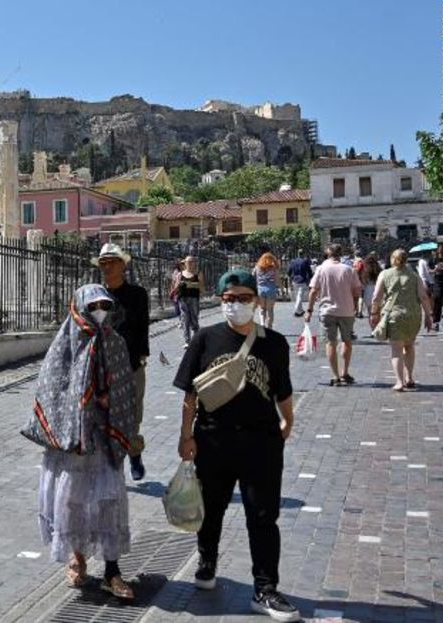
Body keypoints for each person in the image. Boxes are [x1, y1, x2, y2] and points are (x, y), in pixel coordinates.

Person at [173, 269, 299, 623]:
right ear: (220, 300)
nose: (237, 305)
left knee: (263, 516)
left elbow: (282, 389)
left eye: (244, 298)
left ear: (256, 301)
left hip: (261, 441)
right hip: (213, 440)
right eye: (229, 299)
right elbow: (190, 395)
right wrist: (186, 436)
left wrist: (288, 421)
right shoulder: (205, 339)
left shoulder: (274, 343)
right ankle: (207, 560)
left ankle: (265, 588)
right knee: (211, 508)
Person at [30, 284, 140, 601]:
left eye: (105, 304)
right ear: (79, 309)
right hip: (73, 441)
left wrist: (110, 402)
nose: (100, 311)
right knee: (73, 500)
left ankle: (112, 571)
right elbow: (51, 390)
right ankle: (77, 558)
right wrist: (83, 404)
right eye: (93, 306)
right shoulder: (64, 345)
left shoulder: (116, 343)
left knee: (108, 502)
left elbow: (125, 389)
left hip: (105, 438)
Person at [94, 243, 149, 481]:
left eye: (112, 262)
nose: (107, 267)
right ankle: (107, 462)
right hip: (103, 366)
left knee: (132, 415)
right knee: (101, 415)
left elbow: (142, 327)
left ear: (123, 265)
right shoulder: (96, 296)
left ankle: (134, 453)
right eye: (103, 263)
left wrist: (142, 355)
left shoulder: (137, 294)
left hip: (131, 364)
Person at [371, 249, 434, 391]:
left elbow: (376, 297)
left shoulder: (385, 274)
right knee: (409, 346)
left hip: (394, 316)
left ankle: (399, 381)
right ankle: (410, 377)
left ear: (393, 259)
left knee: (396, 349)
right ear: (406, 260)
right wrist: (428, 316)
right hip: (413, 315)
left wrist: (374, 314)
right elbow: (423, 297)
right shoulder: (414, 276)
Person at [305, 244, 362, 387]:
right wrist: (354, 305)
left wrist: (309, 310)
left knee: (331, 343)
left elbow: (313, 291)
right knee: (347, 342)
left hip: (327, 311)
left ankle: (335, 376)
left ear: (328, 253)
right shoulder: (349, 270)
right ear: (341, 254)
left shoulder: (321, 269)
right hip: (347, 311)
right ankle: (345, 372)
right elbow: (357, 291)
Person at [174, 255, 203, 347]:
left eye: (191, 262)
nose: (189, 264)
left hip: (194, 298)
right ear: (185, 263)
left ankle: (196, 339)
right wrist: (179, 284)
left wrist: (191, 284)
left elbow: (202, 289)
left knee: (194, 319)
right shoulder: (180, 274)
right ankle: (187, 341)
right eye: (188, 262)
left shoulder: (198, 274)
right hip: (182, 299)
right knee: (185, 319)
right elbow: (175, 287)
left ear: (195, 263)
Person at [253, 252, 279, 329]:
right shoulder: (274, 268)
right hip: (271, 288)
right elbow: (277, 279)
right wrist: (281, 290)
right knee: (270, 310)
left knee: (262, 309)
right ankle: (269, 328)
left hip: (260, 289)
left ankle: (262, 325)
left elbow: (252, 275)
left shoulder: (257, 267)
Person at [286, 251, 313, 318]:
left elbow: (289, 271)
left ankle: (300, 310)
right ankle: (297, 310)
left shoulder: (293, 261)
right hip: (302, 280)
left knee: (298, 295)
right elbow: (309, 271)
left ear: (297, 254)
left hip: (294, 280)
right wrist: (310, 278)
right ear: (302, 254)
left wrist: (289, 277)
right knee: (299, 296)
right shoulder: (305, 261)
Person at [359, 253, 382, 324]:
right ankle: (379, 329)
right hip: (379, 291)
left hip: (368, 293)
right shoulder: (380, 270)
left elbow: (362, 284)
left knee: (371, 314)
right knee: (379, 313)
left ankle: (373, 330)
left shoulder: (365, 272)